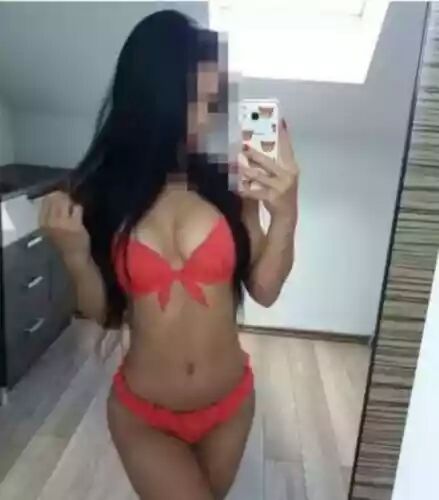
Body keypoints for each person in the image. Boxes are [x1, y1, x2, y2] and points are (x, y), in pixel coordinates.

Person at [39, 9, 299, 500]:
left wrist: (286, 213)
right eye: (196, 101)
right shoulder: (102, 193)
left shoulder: (228, 183)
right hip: (145, 416)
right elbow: (106, 314)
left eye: (213, 102)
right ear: (155, 96)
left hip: (229, 405)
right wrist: (75, 256)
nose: (207, 117)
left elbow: (264, 290)